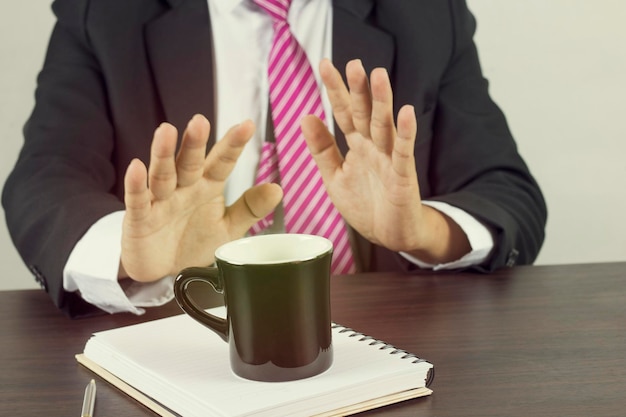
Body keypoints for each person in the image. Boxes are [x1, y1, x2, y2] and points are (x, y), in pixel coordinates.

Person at [2, 0, 547, 318]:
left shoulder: (427, 13)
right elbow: (43, 181)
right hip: (183, 340)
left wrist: (423, 229)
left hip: (380, 345)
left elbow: (507, 193)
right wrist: (130, 255)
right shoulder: (105, 13)